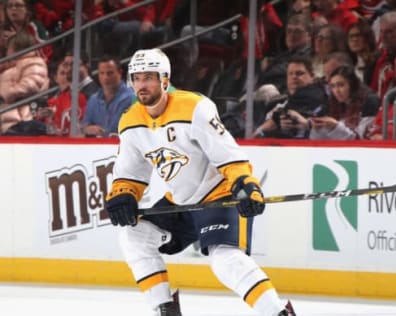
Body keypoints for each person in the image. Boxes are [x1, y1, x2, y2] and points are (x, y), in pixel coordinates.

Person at [104, 48, 296, 316]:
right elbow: (129, 172)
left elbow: (227, 153)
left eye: (148, 77)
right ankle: (165, 310)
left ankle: (277, 312)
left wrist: (245, 184)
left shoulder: (194, 107)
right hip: (182, 202)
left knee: (224, 260)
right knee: (132, 234)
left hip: (219, 194)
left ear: (164, 80)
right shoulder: (131, 120)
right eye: (136, 78)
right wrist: (123, 194)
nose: (141, 84)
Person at [288, 64, 380, 140]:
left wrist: (335, 126)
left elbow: (360, 139)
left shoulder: (369, 101)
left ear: (352, 85)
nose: (336, 91)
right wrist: (306, 124)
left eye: (341, 85)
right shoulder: (332, 103)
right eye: (333, 86)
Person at [253, 55, 328, 139]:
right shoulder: (286, 101)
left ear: (312, 76)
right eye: (290, 74)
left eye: (299, 73)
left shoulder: (315, 95)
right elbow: (276, 119)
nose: (294, 77)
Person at [0, 32, 49, 135]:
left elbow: (31, 84)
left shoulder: (33, 62)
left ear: (17, 48)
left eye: (9, 48)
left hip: (20, 120)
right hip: (5, 121)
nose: (7, 52)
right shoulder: (9, 66)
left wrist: (4, 94)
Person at [81, 55, 134, 137]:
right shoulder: (93, 99)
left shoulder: (131, 98)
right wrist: (88, 129)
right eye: (102, 73)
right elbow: (84, 126)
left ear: (120, 73)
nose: (105, 77)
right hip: (97, 147)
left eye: (110, 73)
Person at [36, 61, 87, 136]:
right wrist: (40, 116)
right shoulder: (51, 101)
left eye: (69, 74)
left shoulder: (80, 97)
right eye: (62, 73)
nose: (66, 77)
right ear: (56, 78)